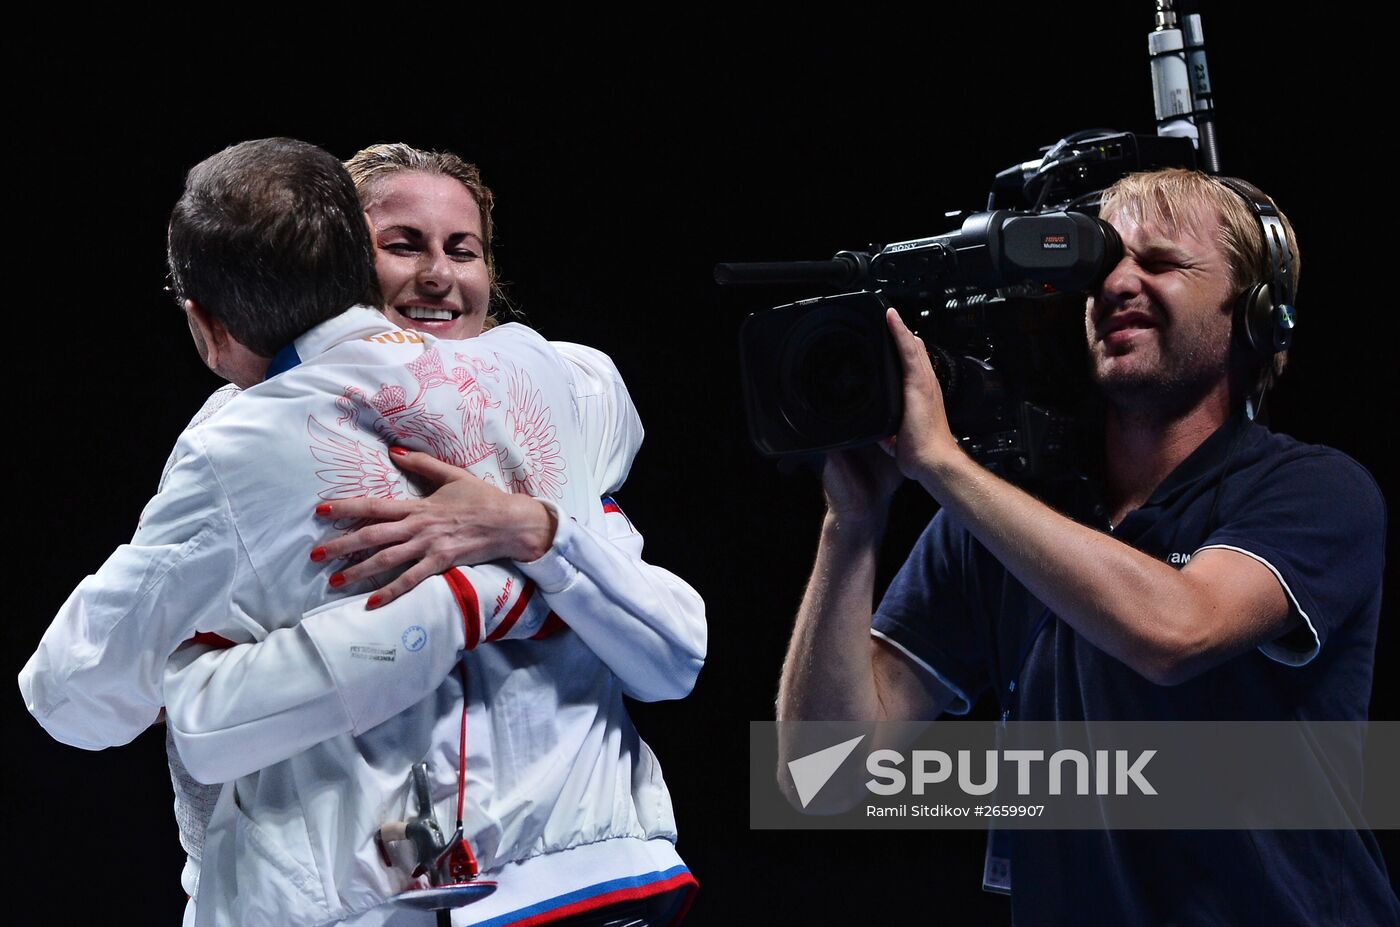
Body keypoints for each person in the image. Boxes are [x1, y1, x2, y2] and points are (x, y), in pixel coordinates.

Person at [20, 138, 704, 927]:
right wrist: (486, 590)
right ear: (342, 265)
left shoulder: (566, 389)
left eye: (463, 249)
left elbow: (676, 646)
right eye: (403, 245)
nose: (439, 275)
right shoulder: (245, 435)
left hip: (551, 882)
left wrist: (533, 527)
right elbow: (166, 714)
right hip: (336, 892)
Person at [776, 168, 1399, 925]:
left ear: (1257, 314)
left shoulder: (1313, 491)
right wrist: (852, 528)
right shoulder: (1004, 520)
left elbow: (1176, 630)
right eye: (1104, 267)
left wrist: (941, 462)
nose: (1118, 285)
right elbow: (823, 774)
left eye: (1162, 263)